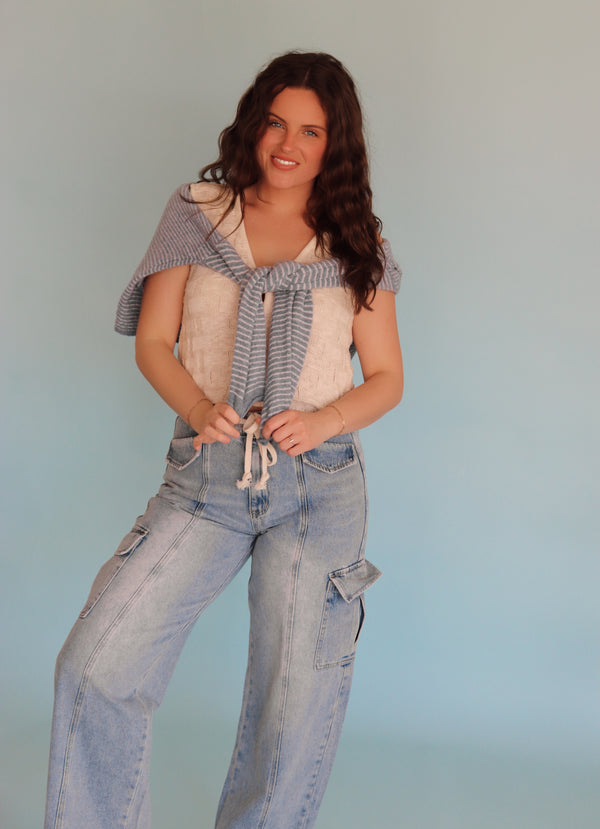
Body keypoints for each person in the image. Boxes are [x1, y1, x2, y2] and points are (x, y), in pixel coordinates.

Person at [44, 51, 404, 829]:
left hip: (321, 486)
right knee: (96, 666)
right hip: (208, 477)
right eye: (276, 121)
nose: (288, 143)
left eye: (311, 131)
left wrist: (321, 420)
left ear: (333, 145)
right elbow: (152, 342)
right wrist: (200, 404)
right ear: (253, 122)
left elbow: (385, 377)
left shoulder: (353, 235)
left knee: (291, 707)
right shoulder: (198, 212)